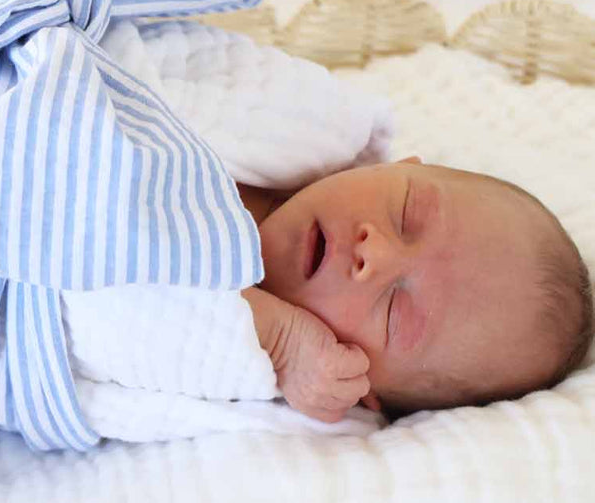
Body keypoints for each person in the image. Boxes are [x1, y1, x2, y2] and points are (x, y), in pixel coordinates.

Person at [238, 156, 594, 426]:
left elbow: (186, 313)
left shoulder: (225, 351)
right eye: (406, 214)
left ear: (356, 387)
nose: (374, 253)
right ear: (398, 165)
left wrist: (277, 338)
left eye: (395, 310)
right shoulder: (298, 137)